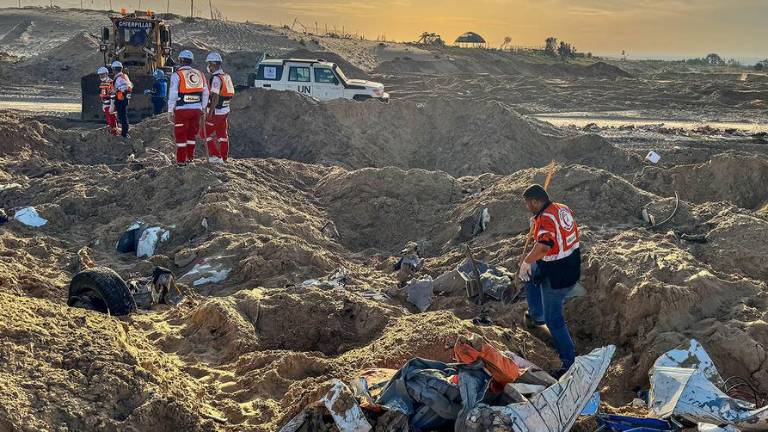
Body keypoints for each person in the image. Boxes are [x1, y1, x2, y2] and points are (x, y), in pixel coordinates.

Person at [518, 184, 581, 377]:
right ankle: (536, 315)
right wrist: (537, 224)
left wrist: (527, 260)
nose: (527, 207)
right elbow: (556, 229)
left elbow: (544, 246)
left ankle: (569, 363)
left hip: (558, 272)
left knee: (555, 321)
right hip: (570, 260)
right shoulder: (561, 208)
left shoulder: (545, 219)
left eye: (529, 204)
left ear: (536, 201)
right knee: (529, 275)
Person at [168, 50, 209, 166]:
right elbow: (205, 92)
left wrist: (170, 110)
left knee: (181, 135)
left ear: (180, 60)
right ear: (191, 61)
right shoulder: (200, 74)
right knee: (191, 135)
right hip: (196, 109)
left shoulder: (177, 75)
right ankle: (190, 158)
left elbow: (173, 94)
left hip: (182, 110)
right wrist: (203, 108)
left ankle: (181, 161)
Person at [203, 52, 235, 164]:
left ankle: (216, 156)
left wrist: (210, 112)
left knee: (204, 133)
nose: (208, 66)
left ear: (213, 64)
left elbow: (215, 97)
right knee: (222, 134)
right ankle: (223, 157)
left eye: (209, 64)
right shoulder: (226, 77)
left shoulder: (216, 79)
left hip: (217, 111)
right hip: (225, 110)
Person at [110, 61, 133, 138]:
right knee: (122, 115)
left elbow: (124, 87)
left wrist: (116, 91)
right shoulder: (124, 76)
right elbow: (130, 86)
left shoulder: (119, 78)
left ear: (114, 69)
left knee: (122, 116)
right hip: (124, 99)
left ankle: (124, 133)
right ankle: (124, 131)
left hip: (120, 99)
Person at [97, 66, 118, 135]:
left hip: (111, 105)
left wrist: (112, 105)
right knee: (109, 121)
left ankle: (115, 134)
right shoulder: (103, 83)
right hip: (106, 105)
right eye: (100, 74)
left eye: (102, 74)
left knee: (112, 121)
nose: (101, 76)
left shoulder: (111, 82)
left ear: (106, 74)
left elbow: (113, 95)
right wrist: (104, 104)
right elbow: (103, 94)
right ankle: (112, 133)